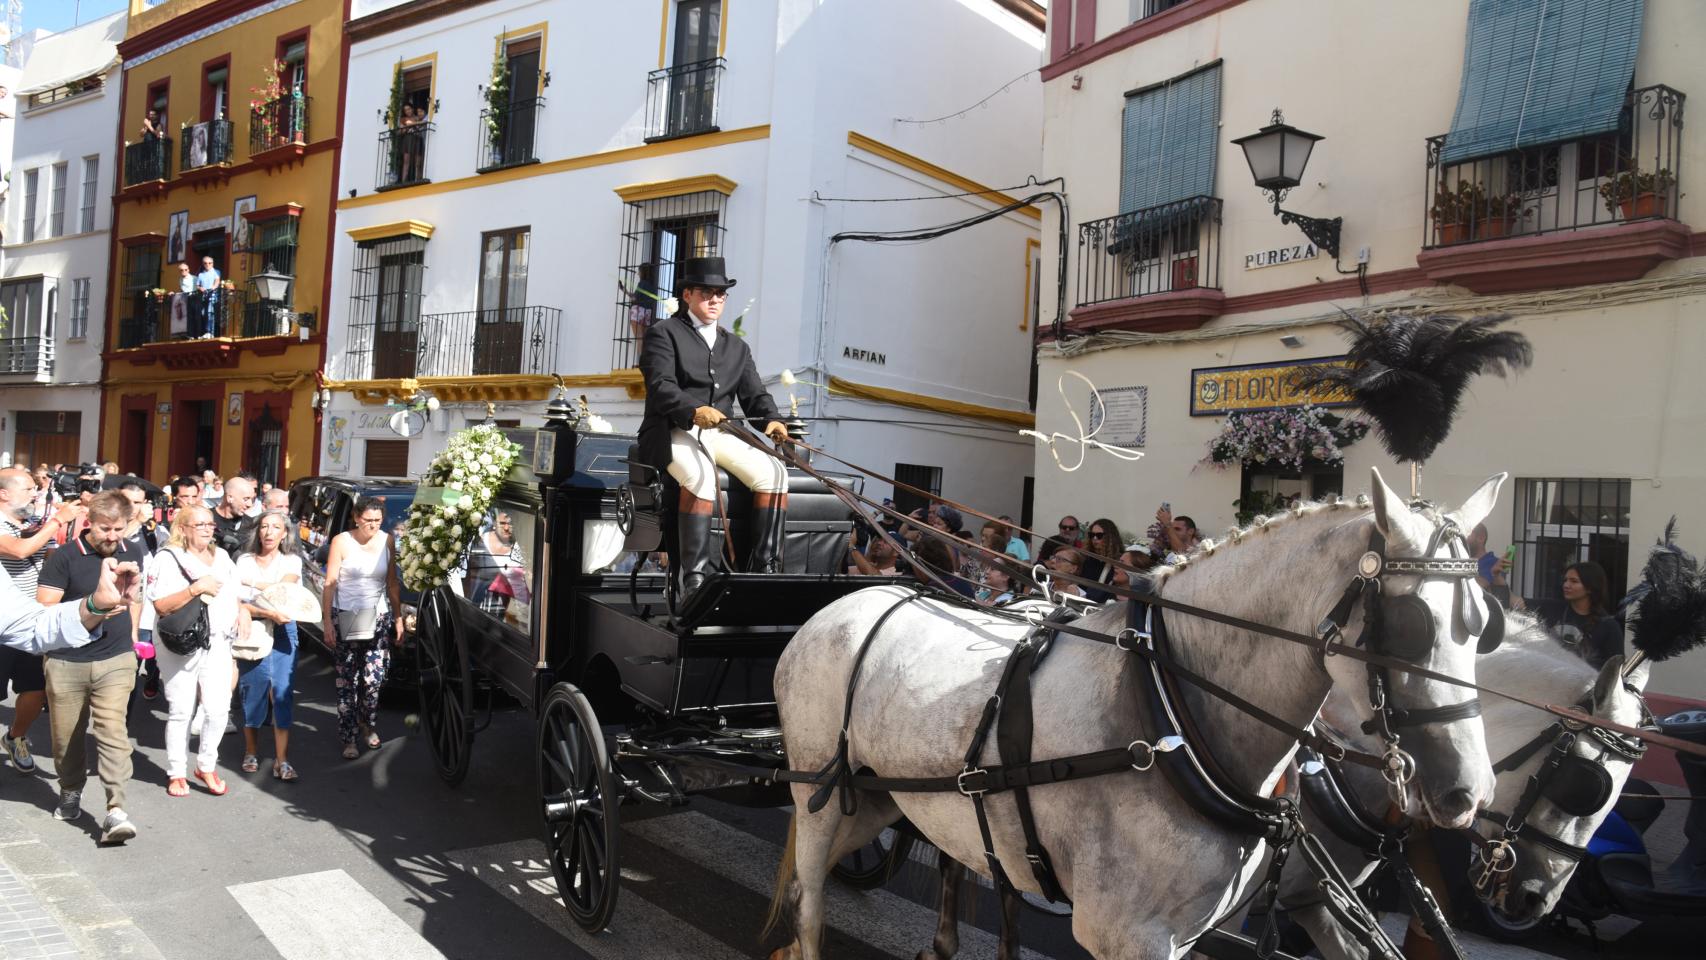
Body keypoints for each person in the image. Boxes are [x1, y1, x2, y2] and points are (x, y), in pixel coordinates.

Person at [636, 256, 789, 613]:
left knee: (775, 473)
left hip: (720, 434)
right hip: (672, 430)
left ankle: (765, 566)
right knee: (702, 479)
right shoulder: (663, 333)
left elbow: (755, 395)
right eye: (707, 293)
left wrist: (772, 420)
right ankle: (694, 578)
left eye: (721, 293)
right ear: (687, 294)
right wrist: (692, 410)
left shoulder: (737, 347)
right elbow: (660, 387)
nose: (716, 299)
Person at [36, 492, 144, 841]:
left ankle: (116, 810)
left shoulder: (132, 551)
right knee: (66, 737)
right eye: (105, 529)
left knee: (113, 731)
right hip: (67, 660)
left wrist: (132, 638)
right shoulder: (64, 557)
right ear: (89, 523)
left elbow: (134, 599)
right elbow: (45, 607)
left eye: (119, 529)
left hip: (116, 658)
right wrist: (93, 606)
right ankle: (70, 789)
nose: (113, 537)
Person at [146, 507, 247, 797]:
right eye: (199, 524)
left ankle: (206, 765)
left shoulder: (224, 557)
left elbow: (235, 592)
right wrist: (194, 589)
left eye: (209, 523)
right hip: (182, 642)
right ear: (183, 528)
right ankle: (177, 772)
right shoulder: (168, 559)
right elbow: (161, 606)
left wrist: (243, 612)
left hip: (218, 640)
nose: (206, 528)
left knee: (217, 709)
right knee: (181, 709)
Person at [0, 469, 82, 775]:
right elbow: (20, 551)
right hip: (2, 622)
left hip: (32, 621)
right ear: (4, 493)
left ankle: (15, 736)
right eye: (28, 489)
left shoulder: (27, 525)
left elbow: (43, 560)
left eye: (36, 488)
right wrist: (57, 520)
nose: (36, 493)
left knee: (35, 689)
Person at [321, 498, 403, 760]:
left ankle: (367, 722)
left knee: (372, 681)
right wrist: (327, 623)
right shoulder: (341, 541)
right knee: (348, 681)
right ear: (356, 518)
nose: (373, 526)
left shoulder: (387, 540)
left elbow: (392, 583)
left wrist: (398, 616)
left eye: (378, 521)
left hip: (377, 617)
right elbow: (330, 583)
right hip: (346, 614)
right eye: (368, 520)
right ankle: (349, 738)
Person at [235, 511, 302, 781]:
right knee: (253, 689)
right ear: (257, 531)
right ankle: (250, 751)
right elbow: (237, 597)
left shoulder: (292, 560)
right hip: (252, 628)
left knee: (282, 693)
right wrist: (258, 601)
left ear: (285, 533)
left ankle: (282, 760)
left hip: (285, 630)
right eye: (264, 526)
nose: (269, 532)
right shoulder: (244, 560)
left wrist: (250, 584)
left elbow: (281, 592)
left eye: (276, 527)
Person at [119, 481, 164, 703]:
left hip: (149, 607)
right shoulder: (112, 524)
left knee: (151, 654)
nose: (134, 507)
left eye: (138, 502)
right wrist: (137, 521)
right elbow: (117, 542)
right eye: (128, 501)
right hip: (120, 606)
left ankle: (153, 677)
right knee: (127, 668)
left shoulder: (153, 528)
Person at [1533, 561, 1623, 669]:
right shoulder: (1551, 607)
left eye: (1574, 581)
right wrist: (1505, 574)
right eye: (1565, 580)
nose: (1566, 585)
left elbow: (1614, 672)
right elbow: (1513, 601)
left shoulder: (1608, 626)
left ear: (1590, 588)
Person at [463, 510, 526, 618]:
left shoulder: (515, 549)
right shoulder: (481, 541)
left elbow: (519, 587)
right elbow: (469, 576)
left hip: (497, 614)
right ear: (494, 524)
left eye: (510, 524)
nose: (506, 528)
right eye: (502, 523)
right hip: (473, 608)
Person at [1468, 523, 1512, 606]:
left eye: (1467, 534)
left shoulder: (1494, 562)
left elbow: (1481, 588)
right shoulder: (1465, 563)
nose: (1462, 539)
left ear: (1481, 538)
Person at [212, 475, 257, 556]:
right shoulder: (206, 519)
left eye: (252, 499)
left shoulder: (251, 525)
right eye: (246, 499)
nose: (250, 504)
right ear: (229, 498)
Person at [194, 256, 222, 339]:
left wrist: (212, 288)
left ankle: (210, 332)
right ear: (203, 264)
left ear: (212, 263)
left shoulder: (216, 272)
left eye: (210, 263)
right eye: (205, 263)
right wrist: (201, 288)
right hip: (203, 297)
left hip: (212, 296)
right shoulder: (201, 274)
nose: (208, 265)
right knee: (203, 313)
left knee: (210, 313)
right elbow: (197, 285)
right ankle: (205, 332)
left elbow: (217, 282)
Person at [174, 261, 196, 337]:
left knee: (193, 316)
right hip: (185, 300)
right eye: (182, 270)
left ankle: (193, 334)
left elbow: (197, 289)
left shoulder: (194, 278)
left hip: (193, 299)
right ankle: (187, 333)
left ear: (188, 270)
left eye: (186, 269)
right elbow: (182, 290)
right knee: (186, 317)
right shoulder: (180, 279)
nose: (184, 271)